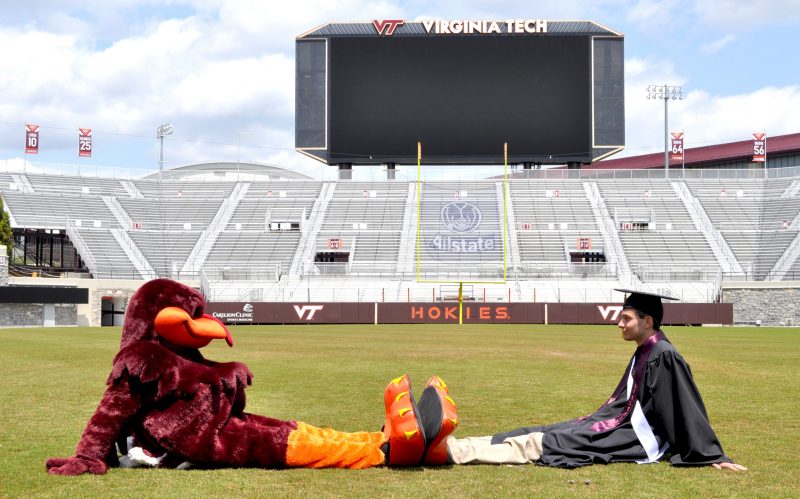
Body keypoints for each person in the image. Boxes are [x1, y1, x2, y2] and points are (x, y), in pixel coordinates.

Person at [446, 289, 746, 471]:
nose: (619, 324)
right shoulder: (647, 349)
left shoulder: (664, 355)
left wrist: (709, 454)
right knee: (549, 430)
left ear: (648, 322)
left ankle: (452, 452)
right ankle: (458, 444)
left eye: (625, 318)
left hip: (637, 437)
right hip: (619, 423)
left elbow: (686, 407)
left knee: (554, 442)